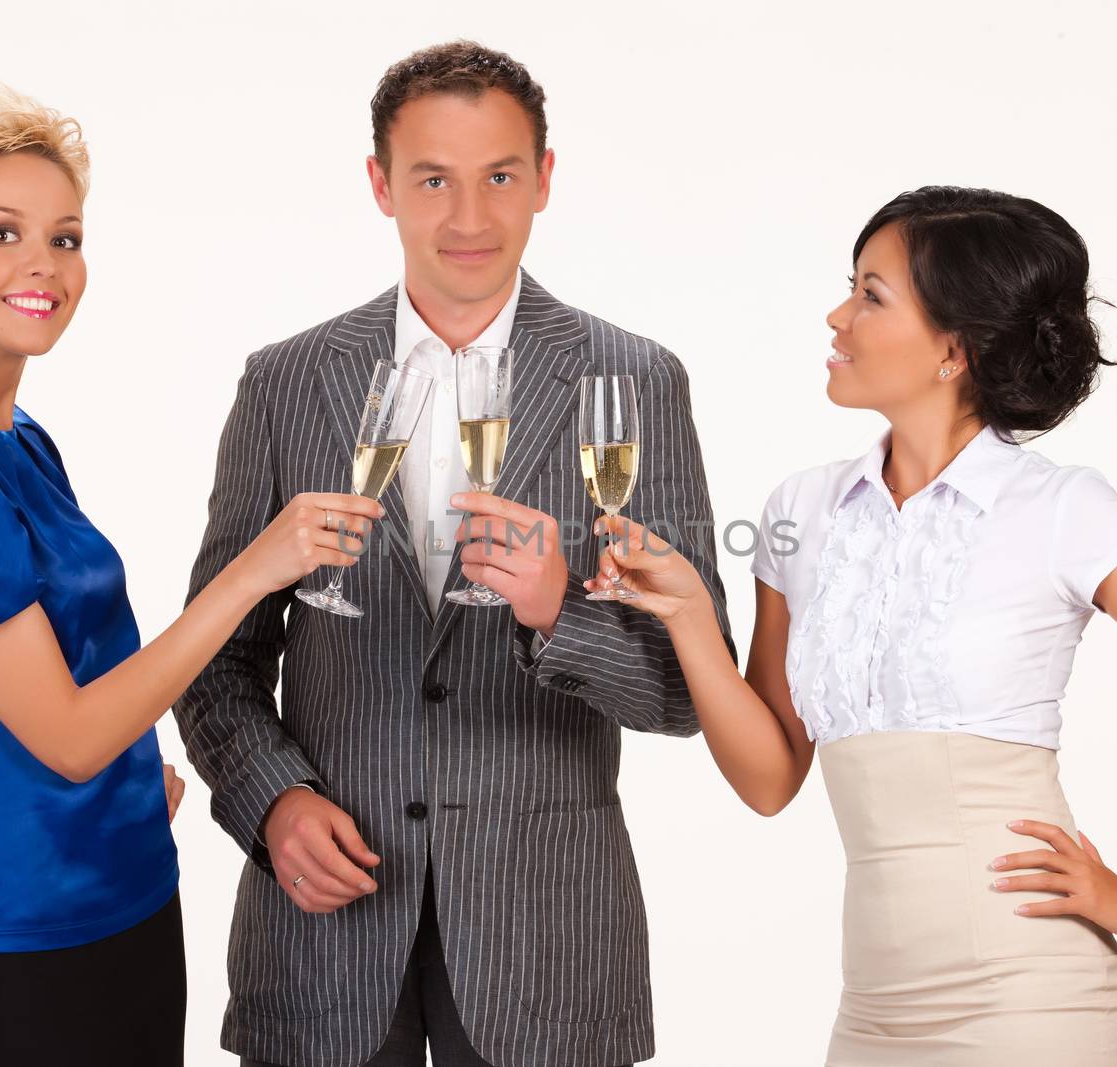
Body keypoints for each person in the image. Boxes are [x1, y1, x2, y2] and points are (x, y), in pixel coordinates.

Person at [586, 186, 1117, 1065]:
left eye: (870, 294)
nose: (837, 315)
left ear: (953, 350)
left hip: (1034, 1000)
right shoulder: (804, 510)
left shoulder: (1062, 510)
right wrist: (692, 618)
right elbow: (772, 778)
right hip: (871, 1013)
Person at [174, 41, 730, 1067]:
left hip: (547, 947)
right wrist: (271, 802)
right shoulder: (286, 382)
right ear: (381, 185)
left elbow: (689, 688)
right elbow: (216, 655)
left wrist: (558, 610)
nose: (468, 218)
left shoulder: (636, 380)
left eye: (499, 177)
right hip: (323, 938)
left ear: (545, 180)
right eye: (433, 178)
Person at [0, 82, 381, 1067]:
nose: (43, 264)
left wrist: (136, 776)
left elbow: (73, 682)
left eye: (66, 236)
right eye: (1, 233)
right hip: (17, 938)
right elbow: (75, 737)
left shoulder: (14, 434)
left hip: (126, 891)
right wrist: (255, 569)